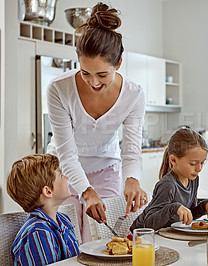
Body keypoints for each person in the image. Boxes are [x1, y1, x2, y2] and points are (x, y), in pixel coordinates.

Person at [46, 2, 147, 242]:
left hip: (106, 168)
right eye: (85, 73)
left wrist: (132, 178)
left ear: (118, 64)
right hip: (62, 173)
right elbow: (67, 155)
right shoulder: (59, 89)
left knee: (105, 240)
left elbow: (131, 148)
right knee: (68, 241)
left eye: (103, 74)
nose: (94, 83)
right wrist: (86, 191)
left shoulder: (134, 94)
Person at [130, 128, 208, 231]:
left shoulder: (193, 180)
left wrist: (205, 206)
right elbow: (149, 223)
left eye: (202, 163)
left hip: (166, 235)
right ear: (173, 160)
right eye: (193, 164)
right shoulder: (168, 185)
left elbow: (188, 216)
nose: (199, 168)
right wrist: (174, 208)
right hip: (141, 237)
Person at [7, 154, 80, 265]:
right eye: (61, 175)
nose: (67, 178)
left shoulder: (64, 220)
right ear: (48, 191)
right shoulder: (38, 233)